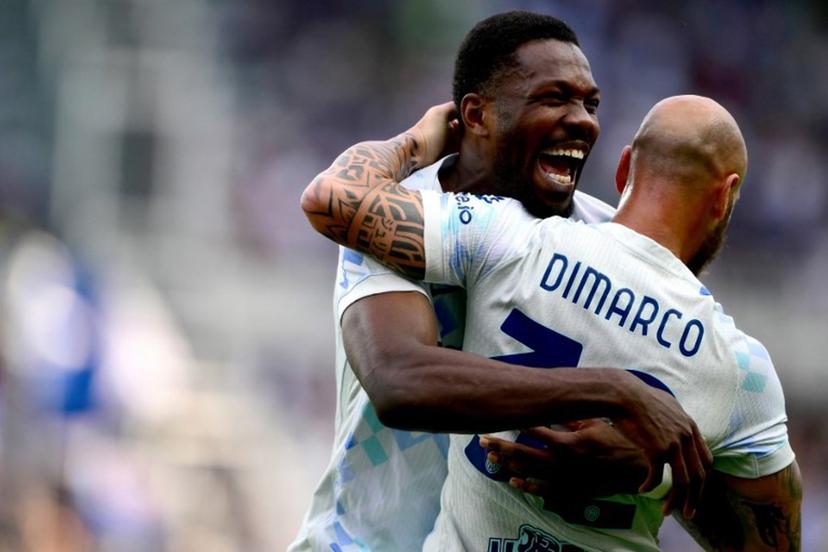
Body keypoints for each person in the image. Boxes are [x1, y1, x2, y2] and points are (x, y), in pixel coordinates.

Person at [300, 95, 801, 550]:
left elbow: (335, 199)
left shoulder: (512, 237)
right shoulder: (741, 368)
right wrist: (657, 479)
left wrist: (419, 139)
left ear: (623, 169)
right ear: (724, 198)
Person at [290, 12, 709, 552]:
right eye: (554, 98)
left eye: (591, 103)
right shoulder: (401, 213)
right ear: (476, 113)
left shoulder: (605, 239)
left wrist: (652, 464)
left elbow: (687, 413)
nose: (583, 121)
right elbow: (400, 380)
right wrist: (617, 391)